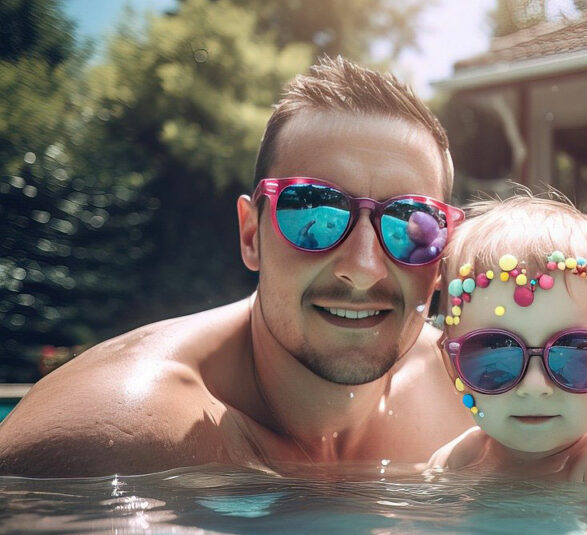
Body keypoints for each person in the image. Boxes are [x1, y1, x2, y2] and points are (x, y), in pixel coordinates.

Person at [0, 57, 475, 476]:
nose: (364, 267)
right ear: (251, 235)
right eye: (313, 213)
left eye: (409, 226)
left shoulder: (485, 394)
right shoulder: (113, 438)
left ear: (441, 259)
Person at [426, 195, 587, 482]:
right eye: (496, 355)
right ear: (453, 368)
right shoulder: (455, 462)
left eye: (572, 353)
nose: (535, 386)